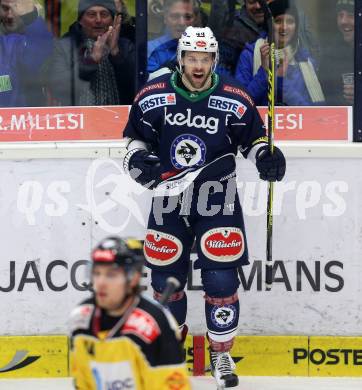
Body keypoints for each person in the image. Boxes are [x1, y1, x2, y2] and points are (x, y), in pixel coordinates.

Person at [123, 26, 286, 388]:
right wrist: (138, 161)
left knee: (221, 280)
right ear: (181, 59)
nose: (198, 65)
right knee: (167, 284)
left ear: (214, 60)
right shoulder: (153, 96)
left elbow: (254, 141)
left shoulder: (235, 98)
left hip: (218, 199)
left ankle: (221, 355)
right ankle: (169, 355)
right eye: (192, 58)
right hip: (169, 200)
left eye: (206, 58)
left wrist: (267, 156)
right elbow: (134, 142)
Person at [70, 236, 191, 390]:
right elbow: (83, 383)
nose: (100, 282)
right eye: (97, 273)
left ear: (133, 278)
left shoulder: (155, 326)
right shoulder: (81, 318)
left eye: (111, 275)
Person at [234, 0, 325, 106]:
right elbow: (240, 104)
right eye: (278, 21)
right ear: (269, 24)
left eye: (290, 21)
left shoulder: (305, 60)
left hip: (296, 122)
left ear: (296, 26)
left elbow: (316, 113)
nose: (284, 27)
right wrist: (264, 72)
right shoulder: (250, 55)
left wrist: (282, 81)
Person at [49, 0, 135, 106]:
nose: (98, 20)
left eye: (104, 14)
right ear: (80, 20)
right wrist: (92, 60)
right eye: (91, 14)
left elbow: (136, 86)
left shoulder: (125, 46)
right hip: (79, 119)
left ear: (113, 20)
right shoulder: (63, 47)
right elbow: (60, 90)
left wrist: (115, 53)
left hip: (121, 118)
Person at [208, 0, 319, 77]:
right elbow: (222, 71)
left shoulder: (296, 21)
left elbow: (313, 58)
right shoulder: (232, 27)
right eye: (252, 1)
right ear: (244, 2)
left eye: (264, 1)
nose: (258, 6)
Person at [0, 0, 52, 107]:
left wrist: (32, 18)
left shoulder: (38, 37)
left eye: (17, 7)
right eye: (5, 8)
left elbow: (34, 67)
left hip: (29, 118)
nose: (10, 15)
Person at [147, 0, 199, 74]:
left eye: (188, 17)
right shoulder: (150, 49)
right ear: (165, 18)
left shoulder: (206, 48)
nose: (181, 23)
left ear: (195, 20)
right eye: (175, 16)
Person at [319, 0, 354, 105]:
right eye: (340, 15)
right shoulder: (329, 57)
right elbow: (324, 103)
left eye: (351, 15)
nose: (343, 21)